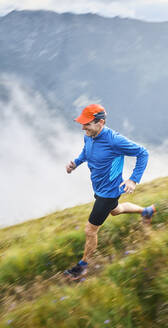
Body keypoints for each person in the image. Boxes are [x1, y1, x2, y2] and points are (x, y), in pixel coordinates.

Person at [64, 104, 156, 280]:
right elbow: (86, 152)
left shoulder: (114, 140)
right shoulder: (89, 136)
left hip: (109, 192)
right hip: (99, 188)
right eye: (82, 124)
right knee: (115, 211)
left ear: (101, 122)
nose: (83, 127)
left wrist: (133, 179)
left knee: (90, 230)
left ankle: (82, 267)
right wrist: (75, 163)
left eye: (87, 124)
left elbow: (143, 153)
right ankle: (146, 211)